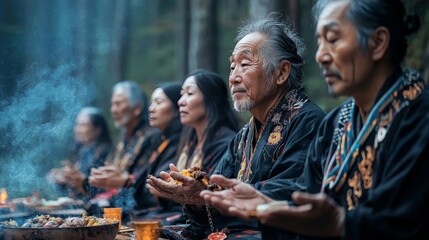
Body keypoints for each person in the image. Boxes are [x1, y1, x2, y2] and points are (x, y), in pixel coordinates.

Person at [202, 1, 429, 239]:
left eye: (332, 39)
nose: (321, 56)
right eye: (320, 42)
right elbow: (305, 195)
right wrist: (268, 202)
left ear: (378, 42)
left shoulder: (418, 117)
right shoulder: (335, 125)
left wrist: (340, 225)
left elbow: (405, 219)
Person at [149, 14, 325, 239]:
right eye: (232, 66)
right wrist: (195, 197)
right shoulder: (244, 136)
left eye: (244, 64)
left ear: (281, 72)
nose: (233, 78)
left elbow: (293, 193)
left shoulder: (308, 122)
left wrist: (212, 194)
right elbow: (212, 193)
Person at [88, 81, 161, 216]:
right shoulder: (122, 136)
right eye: (112, 104)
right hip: (119, 204)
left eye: (118, 104)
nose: (113, 110)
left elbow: (144, 180)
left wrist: (123, 180)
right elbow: (109, 170)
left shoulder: (152, 136)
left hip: (141, 209)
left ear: (137, 108)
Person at [133, 81, 184, 224]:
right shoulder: (160, 139)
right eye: (151, 103)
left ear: (176, 108)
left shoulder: (181, 139)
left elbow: (155, 187)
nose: (151, 109)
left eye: (158, 102)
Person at [47, 107, 111, 204]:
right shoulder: (83, 152)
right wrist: (63, 180)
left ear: (97, 129)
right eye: (77, 124)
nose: (77, 129)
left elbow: (103, 189)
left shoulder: (106, 153)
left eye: (83, 125)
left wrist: (78, 179)